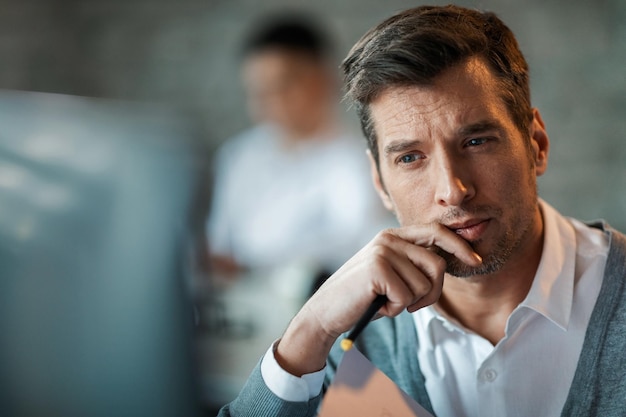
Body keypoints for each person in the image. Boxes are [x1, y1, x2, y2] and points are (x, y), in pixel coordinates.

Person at [217, 5, 626, 417]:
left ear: (536, 144)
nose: (453, 191)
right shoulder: (351, 340)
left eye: (477, 142)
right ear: (379, 183)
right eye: (411, 158)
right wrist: (311, 328)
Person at [207, 13, 392, 283]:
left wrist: (254, 267)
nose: (271, 102)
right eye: (259, 92)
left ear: (324, 80)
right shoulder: (238, 155)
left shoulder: (357, 158)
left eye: (283, 86)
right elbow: (219, 242)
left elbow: (357, 246)